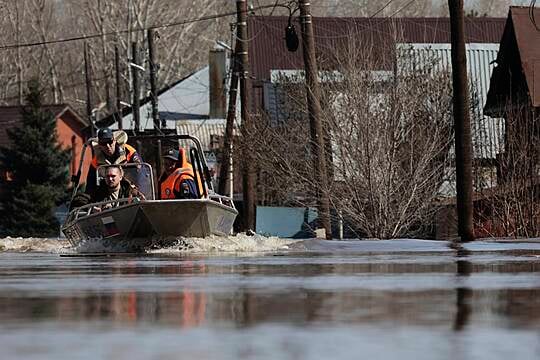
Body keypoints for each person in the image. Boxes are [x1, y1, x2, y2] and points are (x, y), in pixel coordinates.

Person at [85, 128, 142, 196]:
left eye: (110, 141)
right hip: (107, 195)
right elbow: (90, 187)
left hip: (129, 190)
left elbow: (141, 173)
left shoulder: (129, 152)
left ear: (114, 140)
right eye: (104, 143)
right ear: (99, 145)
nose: (108, 146)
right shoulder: (96, 161)